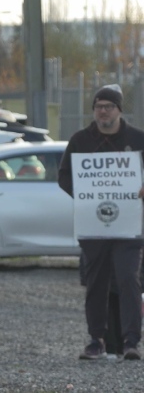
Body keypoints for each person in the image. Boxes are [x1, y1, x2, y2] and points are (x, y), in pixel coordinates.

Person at [58, 84, 144, 361]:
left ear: (119, 110)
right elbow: (64, 176)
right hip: (93, 226)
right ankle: (96, 339)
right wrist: (84, 196)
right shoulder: (80, 140)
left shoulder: (138, 139)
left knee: (129, 278)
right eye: (98, 106)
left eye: (108, 106)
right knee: (96, 282)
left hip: (130, 226)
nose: (102, 111)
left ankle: (132, 340)